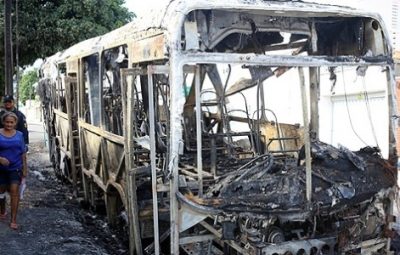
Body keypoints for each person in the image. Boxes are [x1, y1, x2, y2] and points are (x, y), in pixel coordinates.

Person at [0, 111, 27, 230]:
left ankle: (13, 220)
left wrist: (25, 169)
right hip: (0, 169)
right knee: (1, 191)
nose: (9, 124)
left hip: (15, 168)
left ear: (15, 123)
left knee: (14, 191)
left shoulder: (19, 135)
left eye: (11, 122)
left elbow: (23, 153)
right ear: (3, 122)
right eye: (7, 122)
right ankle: (2, 210)